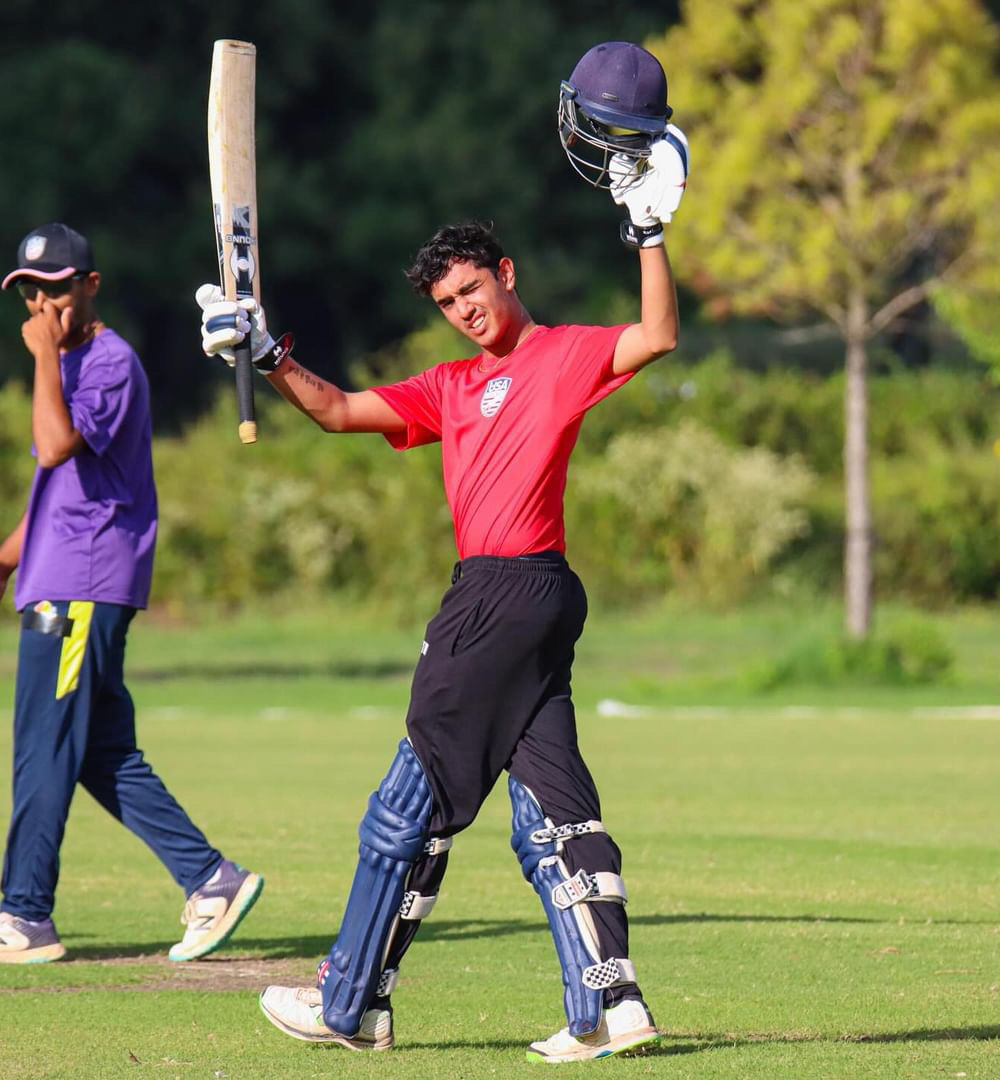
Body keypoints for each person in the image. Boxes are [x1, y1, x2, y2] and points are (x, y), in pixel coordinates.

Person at [197, 42, 687, 1064]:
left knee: (404, 800)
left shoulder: (562, 354)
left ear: (505, 276)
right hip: (524, 601)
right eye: (448, 304)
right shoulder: (447, 389)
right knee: (551, 806)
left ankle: (349, 1003)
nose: (465, 312)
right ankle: (612, 1006)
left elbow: (657, 335)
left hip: (512, 591)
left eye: (473, 290)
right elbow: (334, 412)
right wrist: (264, 348)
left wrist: (647, 230)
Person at [0, 222, 263, 966]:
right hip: (58, 575)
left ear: (89, 285)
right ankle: (212, 880)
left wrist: (46, 358)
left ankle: (25, 916)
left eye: (55, 286)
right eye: (29, 290)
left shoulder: (107, 362)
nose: (42, 301)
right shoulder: (69, 362)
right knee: (98, 752)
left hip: (81, 588)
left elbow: (54, 445)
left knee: (44, 748)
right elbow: (53, 485)